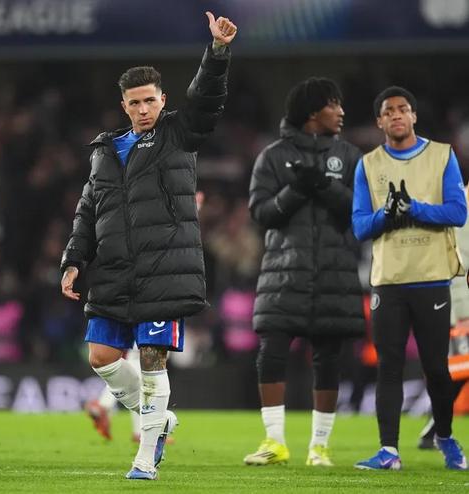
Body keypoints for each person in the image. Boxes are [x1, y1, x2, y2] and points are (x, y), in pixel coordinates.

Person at [60, 11, 236, 480]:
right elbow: (88, 210)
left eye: (150, 101)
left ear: (163, 100)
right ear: (124, 106)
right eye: (135, 103)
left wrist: (217, 52)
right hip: (114, 271)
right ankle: (160, 419)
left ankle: (145, 456)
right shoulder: (104, 151)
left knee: (152, 361)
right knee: (101, 358)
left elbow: (206, 98)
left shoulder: (178, 132)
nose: (143, 109)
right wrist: (74, 259)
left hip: (163, 269)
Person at [243, 78, 365, 467]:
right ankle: (274, 441)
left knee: (329, 358)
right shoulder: (273, 157)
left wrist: (324, 186)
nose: (341, 111)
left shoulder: (350, 156)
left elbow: (361, 213)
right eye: (334, 104)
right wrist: (296, 190)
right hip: (283, 273)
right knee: (271, 352)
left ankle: (319, 447)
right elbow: (261, 213)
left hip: (334, 271)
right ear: (313, 112)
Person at [353, 86, 467, 470]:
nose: (396, 115)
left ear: (414, 116)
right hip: (388, 281)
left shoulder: (442, 155)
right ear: (379, 121)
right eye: (389, 111)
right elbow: (359, 226)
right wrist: (386, 214)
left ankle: (445, 438)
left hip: (432, 277)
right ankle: (389, 451)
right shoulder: (368, 165)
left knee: (436, 368)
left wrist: (413, 208)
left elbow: (458, 212)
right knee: (389, 366)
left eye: (403, 109)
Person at [418, 198, 469, 450]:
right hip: (462, 304)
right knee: (460, 369)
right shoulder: (463, 206)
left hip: (459, 302)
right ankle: (437, 426)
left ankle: (435, 427)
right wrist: (461, 311)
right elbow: (460, 263)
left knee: (460, 369)